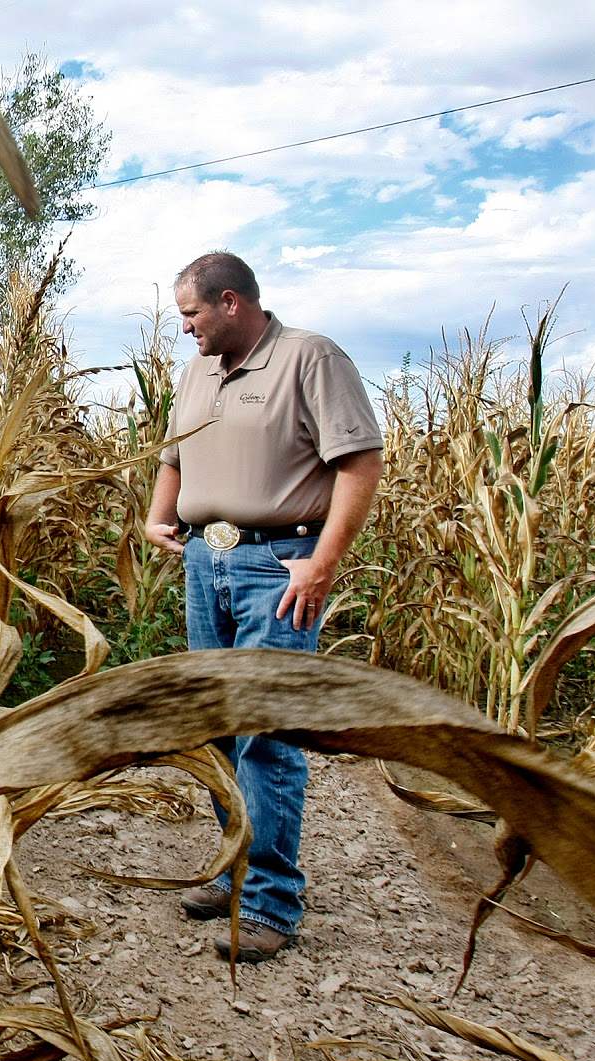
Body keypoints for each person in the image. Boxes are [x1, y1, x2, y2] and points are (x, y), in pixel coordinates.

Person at [145, 252, 384, 963]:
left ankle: (271, 904)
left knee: (268, 735)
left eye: (191, 315)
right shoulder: (198, 371)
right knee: (216, 727)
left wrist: (322, 564)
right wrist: (160, 517)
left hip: (275, 566)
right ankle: (232, 870)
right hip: (203, 562)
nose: (184, 328)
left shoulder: (311, 359)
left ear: (230, 302)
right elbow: (174, 457)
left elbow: (360, 461)